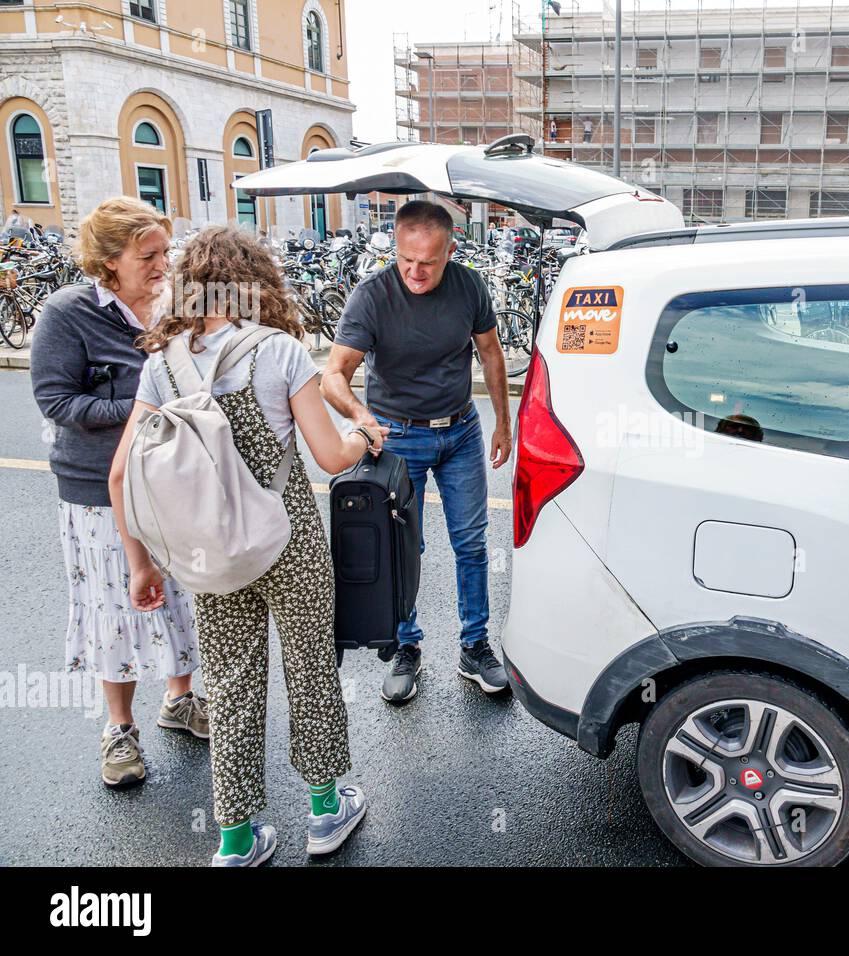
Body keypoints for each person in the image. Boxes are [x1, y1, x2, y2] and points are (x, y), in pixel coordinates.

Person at [110, 226, 382, 866]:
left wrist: (141, 565)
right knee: (310, 669)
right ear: (255, 283)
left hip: (209, 553)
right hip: (287, 541)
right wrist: (365, 432)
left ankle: (236, 840)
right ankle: (323, 811)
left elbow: (121, 474)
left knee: (230, 687)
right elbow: (328, 455)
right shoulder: (282, 353)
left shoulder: (161, 366)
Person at [30, 197, 205, 790]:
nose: (163, 264)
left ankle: (179, 699)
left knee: (181, 594)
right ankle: (119, 729)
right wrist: (140, 411)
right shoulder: (66, 313)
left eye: (165, 251)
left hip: (173, 480)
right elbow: (57, 401)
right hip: (97, 488)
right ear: (108, 263)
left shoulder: (171, 307)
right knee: (118, 608)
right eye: (148, 255)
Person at [323, 200, 512, 704]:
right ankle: (407, 646)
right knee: (406, 549)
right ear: (396, 245)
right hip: (397, 436)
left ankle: (474, 646)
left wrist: (503, 424)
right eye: (406, 259)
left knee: (471, 543)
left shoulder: (470, 286)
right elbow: (333, 375)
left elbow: (491, 353)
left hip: (462, 432)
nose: (415, 271)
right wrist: (361, 417)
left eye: (428, 261)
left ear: (451, 250)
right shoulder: (373, 296)